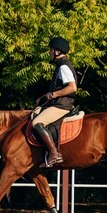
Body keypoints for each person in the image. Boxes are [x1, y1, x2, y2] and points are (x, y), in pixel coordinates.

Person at [32, 36, 77, 168]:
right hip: (58, 103)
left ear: (57, 51)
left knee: (37, 123)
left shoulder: (63, 66)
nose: (50, 52)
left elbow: (72, 87)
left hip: (62, 105)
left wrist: (53, 94)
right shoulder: (61, 65)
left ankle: (54, 153)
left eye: (51, 50)